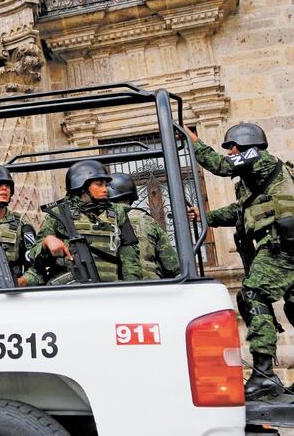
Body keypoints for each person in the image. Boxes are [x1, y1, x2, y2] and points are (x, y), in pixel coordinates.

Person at [187, 123, 294, 400]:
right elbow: (240, 211)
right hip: (284, 247)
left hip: (281, 248)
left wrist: (193, 140)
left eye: (232, 146)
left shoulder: (258, 158)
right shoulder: (254, 180)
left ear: (247, 145)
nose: (231, 152)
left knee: (252, 295)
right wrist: (206, 216)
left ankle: (264, 375)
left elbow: (220, 166)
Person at [29, 159, 142, 282]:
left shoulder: (117, 212)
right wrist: (46, 243)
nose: (105, 189)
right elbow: (33, 254)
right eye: (99, 184)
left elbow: (130, 258)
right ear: (82, 186)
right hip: (69, 291)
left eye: (106, 185)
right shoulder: (59, 212)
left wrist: (132, 287)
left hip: (109, 288)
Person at [108, 172, 180, 279]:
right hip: (149, 286)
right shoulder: (148, 220)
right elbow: (171, 265)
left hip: (114, 288)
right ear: (132, 196)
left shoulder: (101, 221)